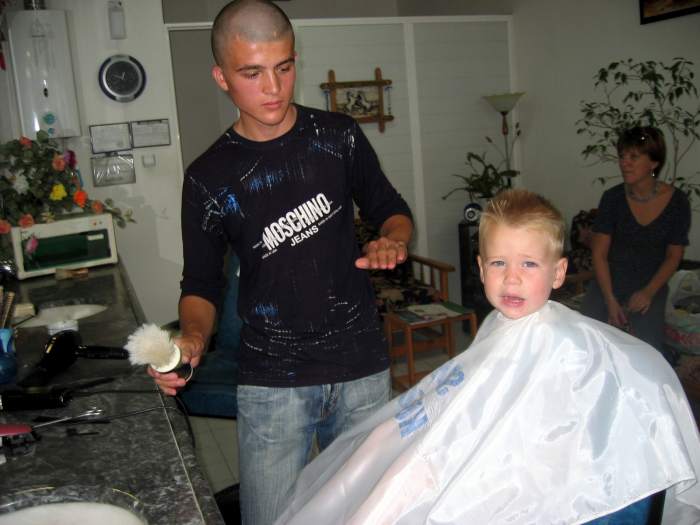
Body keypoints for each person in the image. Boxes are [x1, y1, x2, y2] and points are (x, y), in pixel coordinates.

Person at [276, 189, 700, 525]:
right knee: (378, 455)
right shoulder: (500, 324)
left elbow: (570, 424)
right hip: (476, 444)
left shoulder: (565, 343)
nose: (511, 278)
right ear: (480, 269)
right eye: (499, 263)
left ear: (558, 272)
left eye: (529, 264)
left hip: (524, 469)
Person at [147, 1, 413, 523]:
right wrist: (194, 337)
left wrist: (392, 240)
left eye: (284, 67)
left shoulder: (338, 137)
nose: (273, 87)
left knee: (369, 514)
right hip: (272, 380)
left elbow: (392, 209)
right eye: (252, 73)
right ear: (222, 78)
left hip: (360, 366)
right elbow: (200, 282)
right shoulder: (208, 177)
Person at [581, 126, 691, 361]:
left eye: (634, 157)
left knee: (646, 353)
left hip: (649, 285)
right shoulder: (612, 198)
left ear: (654, 162)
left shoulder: (677, 202)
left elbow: (674, 256)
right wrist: (610, 300)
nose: (625, 163)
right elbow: (599, 255)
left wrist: (648, 292)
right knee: (586, 344)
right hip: (608, 283)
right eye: (622, 156)